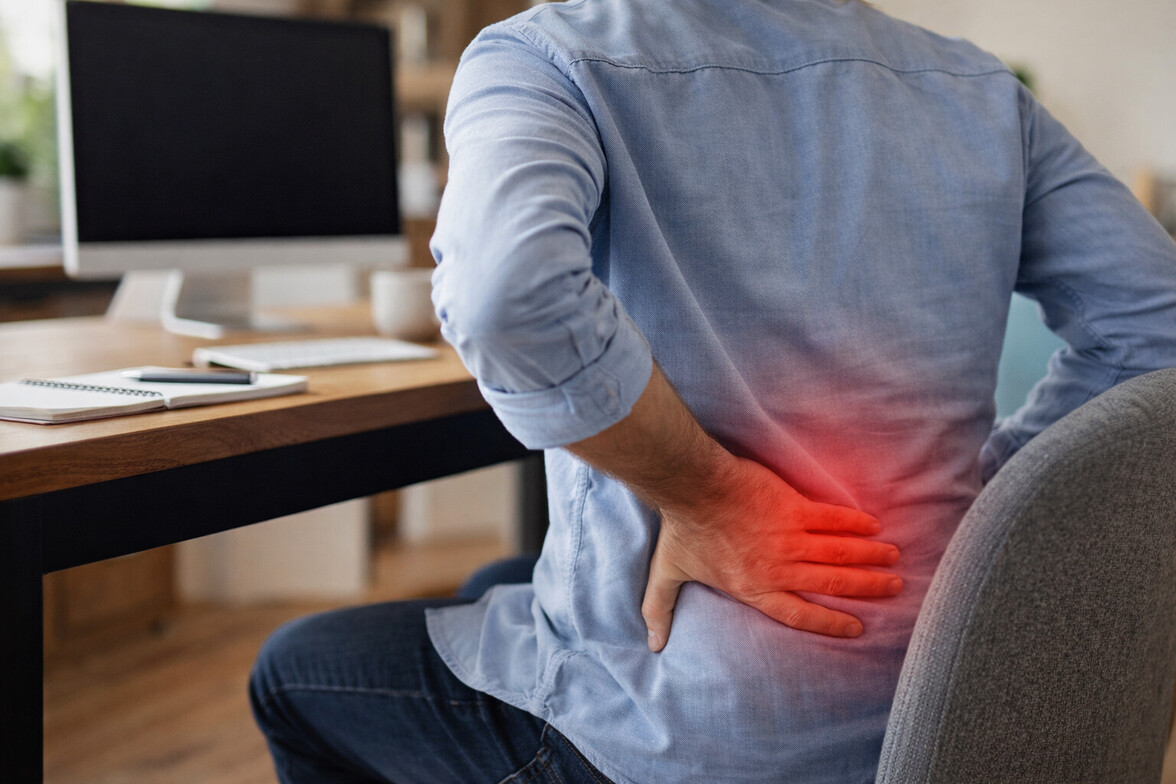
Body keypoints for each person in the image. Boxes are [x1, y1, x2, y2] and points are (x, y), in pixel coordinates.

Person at [249, 0, 1176, 782]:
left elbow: (504, 296)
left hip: (701, 739)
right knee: (495, 581)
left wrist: (714, 496)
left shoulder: (551, 54)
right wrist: (985, 511)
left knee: (291, 674)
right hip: (950, 688)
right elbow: (1158, 324)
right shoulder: (979, 90)